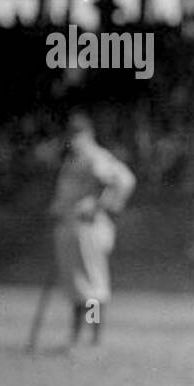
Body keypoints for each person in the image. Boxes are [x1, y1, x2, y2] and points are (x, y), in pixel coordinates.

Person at [49, 113, 136, 348]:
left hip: (89, 228)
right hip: (70, 228)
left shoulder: (95, 157)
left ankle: (93, 339)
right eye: (71, 134)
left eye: (78, 134)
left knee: (92, 287)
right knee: (77, 287)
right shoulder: (74, 160)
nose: (73, 139)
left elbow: (122, 181)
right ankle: (77, 337)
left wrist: (99, 205)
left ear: (88, 135)